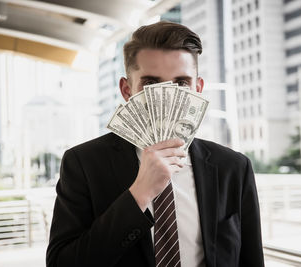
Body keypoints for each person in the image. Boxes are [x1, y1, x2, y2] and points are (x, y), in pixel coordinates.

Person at [46, 21, 264, 267]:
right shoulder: (83, 164)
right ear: (127, 91)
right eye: (151, 84)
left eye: (182, 83)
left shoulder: (233, 167)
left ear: (198, 89)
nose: (168, 95)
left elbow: (251, 259)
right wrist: (139, 194)